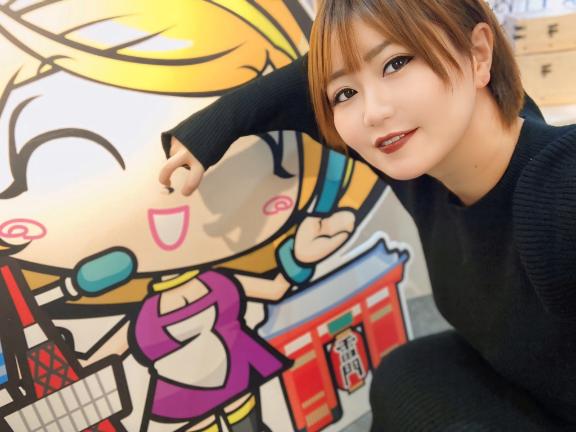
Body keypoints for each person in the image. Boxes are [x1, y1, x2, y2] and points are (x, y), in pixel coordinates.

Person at [158, 0, 576, 430]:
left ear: (479, 53)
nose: (372, 112)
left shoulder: (558, 187)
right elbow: (306, 82)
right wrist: (206, 134)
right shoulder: (420, 167)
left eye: (396, 63)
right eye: (345, 94)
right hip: (528, 382)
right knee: (405, 377)